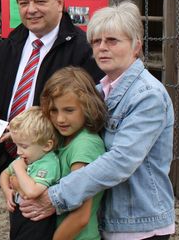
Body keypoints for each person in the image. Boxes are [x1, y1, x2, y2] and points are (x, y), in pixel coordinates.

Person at [20, 1, 176, 239]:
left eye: (112, 40)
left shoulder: (148, 95)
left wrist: (55, 196)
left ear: (136, 47)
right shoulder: (99, 91)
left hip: (139, 225)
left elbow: (120, 161)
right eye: (96, 41)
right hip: (109, 219)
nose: (102, 47)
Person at [0, 0, 103, 183]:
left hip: (57, 165)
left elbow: (90, 113)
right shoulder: (10, 44)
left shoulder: (83, 50)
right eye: (24, 3)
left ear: (60, 2)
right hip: (12, 158)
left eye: (40, 1)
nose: (31, 9)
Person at [40, 67, 107, 240]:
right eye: (54, 110)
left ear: (87, 107)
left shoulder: (85, 145)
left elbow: (81, 216)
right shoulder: (64, 138)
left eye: (69, 110)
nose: (60, 119)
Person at [0, 107, 60, 240]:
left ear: (47, 145)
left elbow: (33, 192)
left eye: (24, 146)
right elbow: (4, 174)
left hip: (37, 221)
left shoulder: (48, 164)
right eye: (17, 146)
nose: (18, 152)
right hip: (20, 214)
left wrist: (19, 169)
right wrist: (7, 191)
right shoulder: (28, 158)